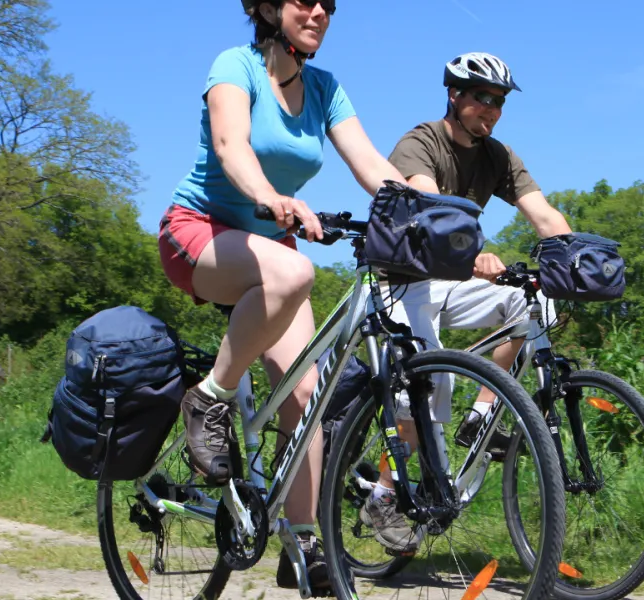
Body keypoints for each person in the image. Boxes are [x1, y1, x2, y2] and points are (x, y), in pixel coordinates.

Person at [157, 0, 407, 588]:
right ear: (268, 7)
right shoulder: (234, 67)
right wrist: (274, 198)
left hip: (270, 249)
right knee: (296, 275)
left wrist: (429, 208)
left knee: (307, 396)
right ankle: (209, 397)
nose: (319, 10)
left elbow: (373, 165)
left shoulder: (324, 89)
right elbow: (231, 147)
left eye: (329, 2)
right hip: (200, 232)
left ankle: (303, 544)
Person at [358, 52, 575, 553]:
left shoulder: (497, 155)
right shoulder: (421, 142)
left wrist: (574, 257)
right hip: (402, 282)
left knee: (535, 307)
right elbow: (432, 207)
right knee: (433, 378)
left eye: (499, 101)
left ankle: (485, 411)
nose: (492, 109)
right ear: (454, 95)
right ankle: (384, 497)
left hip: (451, 282)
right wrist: (475, 253)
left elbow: (542, 212)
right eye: (483, 98)